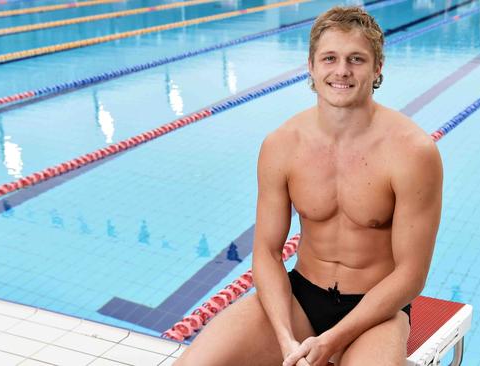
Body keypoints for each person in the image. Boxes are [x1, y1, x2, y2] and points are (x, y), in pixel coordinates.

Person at [175, 5, 442, 366]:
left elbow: (411, 274)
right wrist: (286, 339)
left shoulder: (412, 152)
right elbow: (267, 253)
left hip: (375, 314)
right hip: (300, 298)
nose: (342, 71)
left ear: (378, 68)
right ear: (311, 66)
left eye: (356, 59)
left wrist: (332, 340)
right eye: (329, 58)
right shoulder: (282, 145)